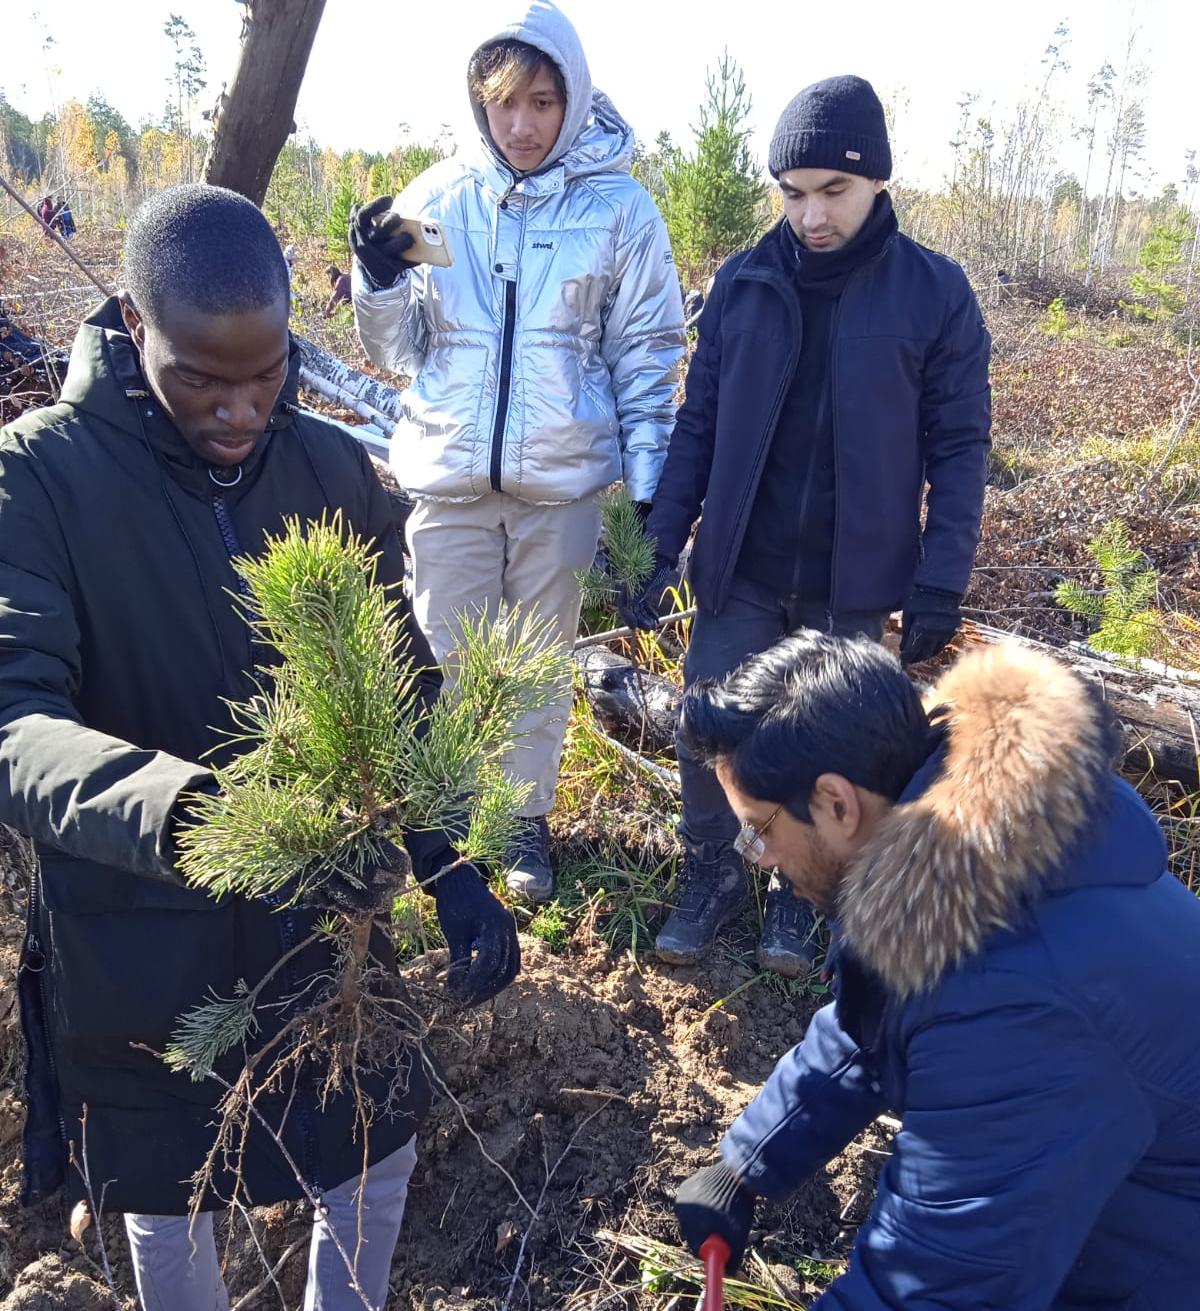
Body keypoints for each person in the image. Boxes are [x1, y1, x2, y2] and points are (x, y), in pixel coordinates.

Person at [1, 184, 520, 1311]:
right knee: (174, 1194)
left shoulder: (331, 476)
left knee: (375, 1151)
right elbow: (13, 725)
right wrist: (197, 819)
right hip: (137, 925)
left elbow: (401, 697)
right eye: (200, 377)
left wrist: (454, 867)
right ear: (135, 326)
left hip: (319, 923)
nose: (240, 409)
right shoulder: (38, 479)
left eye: (267, 372)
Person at [672, 632, 1200, 1310]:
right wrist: (745, 1165)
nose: (759, 856)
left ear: (836, 802)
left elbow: (934, 1286)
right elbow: (870, 1019)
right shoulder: (962, 848)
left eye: (760, 829)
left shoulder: (1014, 1001)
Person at [619, 75, 992, 975]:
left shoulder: (934, 295)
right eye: (793, 193)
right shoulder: (744, 283)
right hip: (741, 570)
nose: (811, 215)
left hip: (849, 585)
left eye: (834, 191)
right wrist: (660, 542)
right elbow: (698, 426)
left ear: (878, 186)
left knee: (824, 748)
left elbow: (962, 445)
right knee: (706, 727)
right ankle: (706, 875)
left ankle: (798, 900)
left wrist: (940, 578)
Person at [351, 0, 685, 903]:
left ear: (571, 95)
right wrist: (377, 283)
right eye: (503, 103)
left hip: (563, 487)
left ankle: (524, 823)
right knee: (443, 654)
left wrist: (648, 497)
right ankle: (451, 823)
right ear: (477, 101)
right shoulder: (436, 198)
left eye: (542, 101)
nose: (522, 124)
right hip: (450, 480)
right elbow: (401, 350)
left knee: (538, 662)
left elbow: (647, 355)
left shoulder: (622, 209)